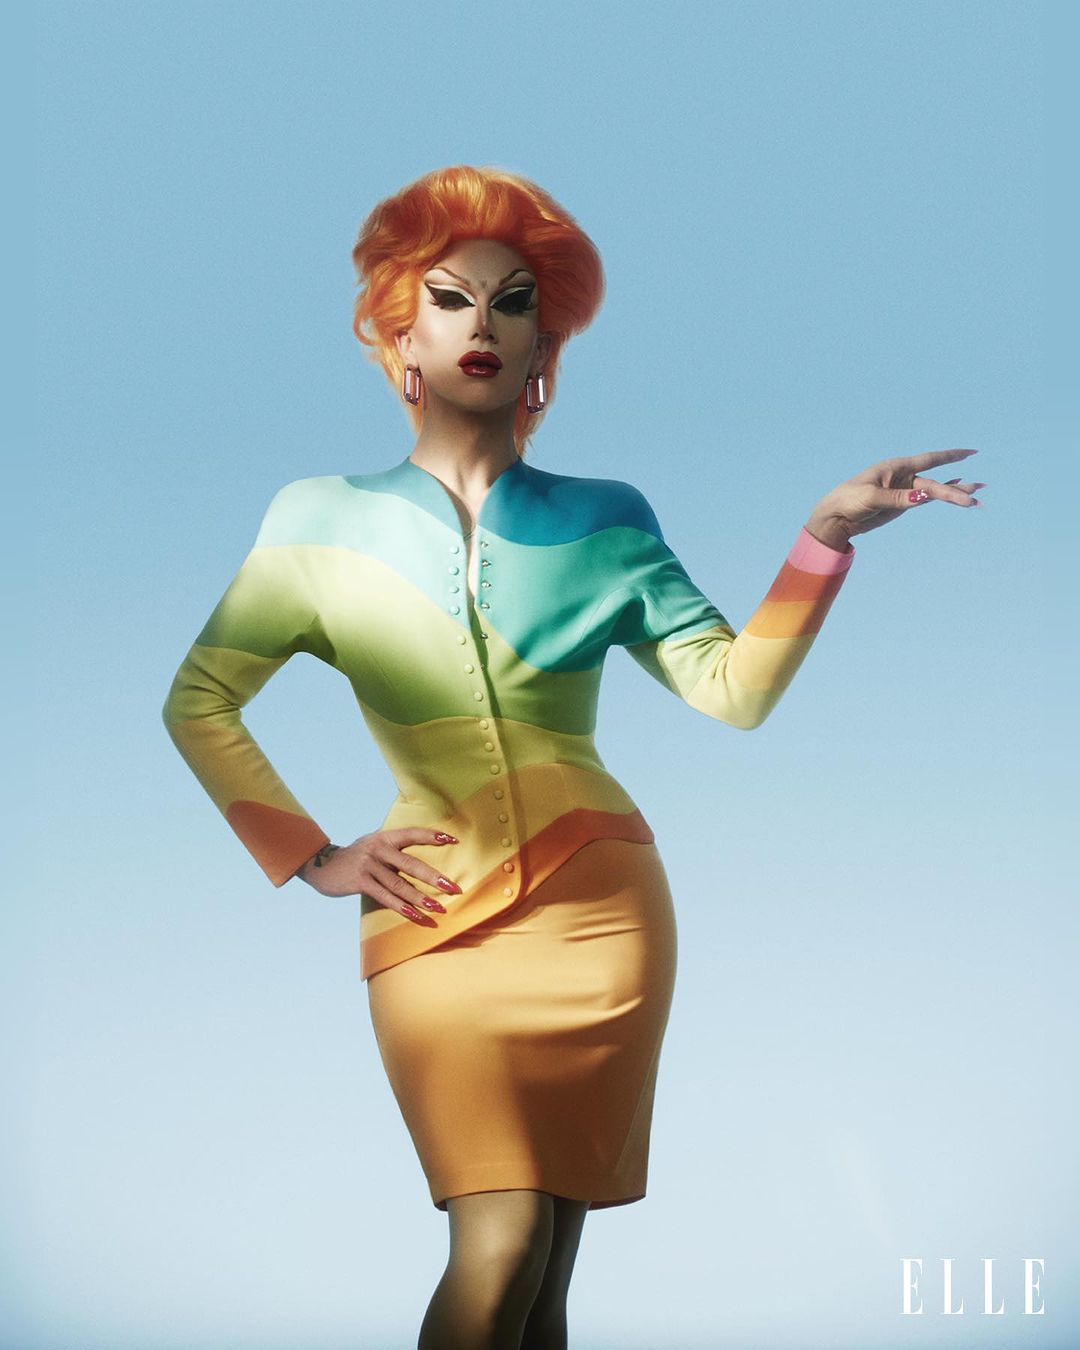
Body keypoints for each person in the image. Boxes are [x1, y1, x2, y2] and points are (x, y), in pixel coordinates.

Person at [162, 165, 985, 1350]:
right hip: (432, 917)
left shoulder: (608, 516)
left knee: (544, 1271)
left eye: (513, 305)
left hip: (604, 914)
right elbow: (200, 700)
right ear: (402, 340)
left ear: (544, 350)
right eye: (451, 301)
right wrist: (312, 854)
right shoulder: (316, 520)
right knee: (497, 1243)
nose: (483, 326)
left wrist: (821, 541)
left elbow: (732, 691)